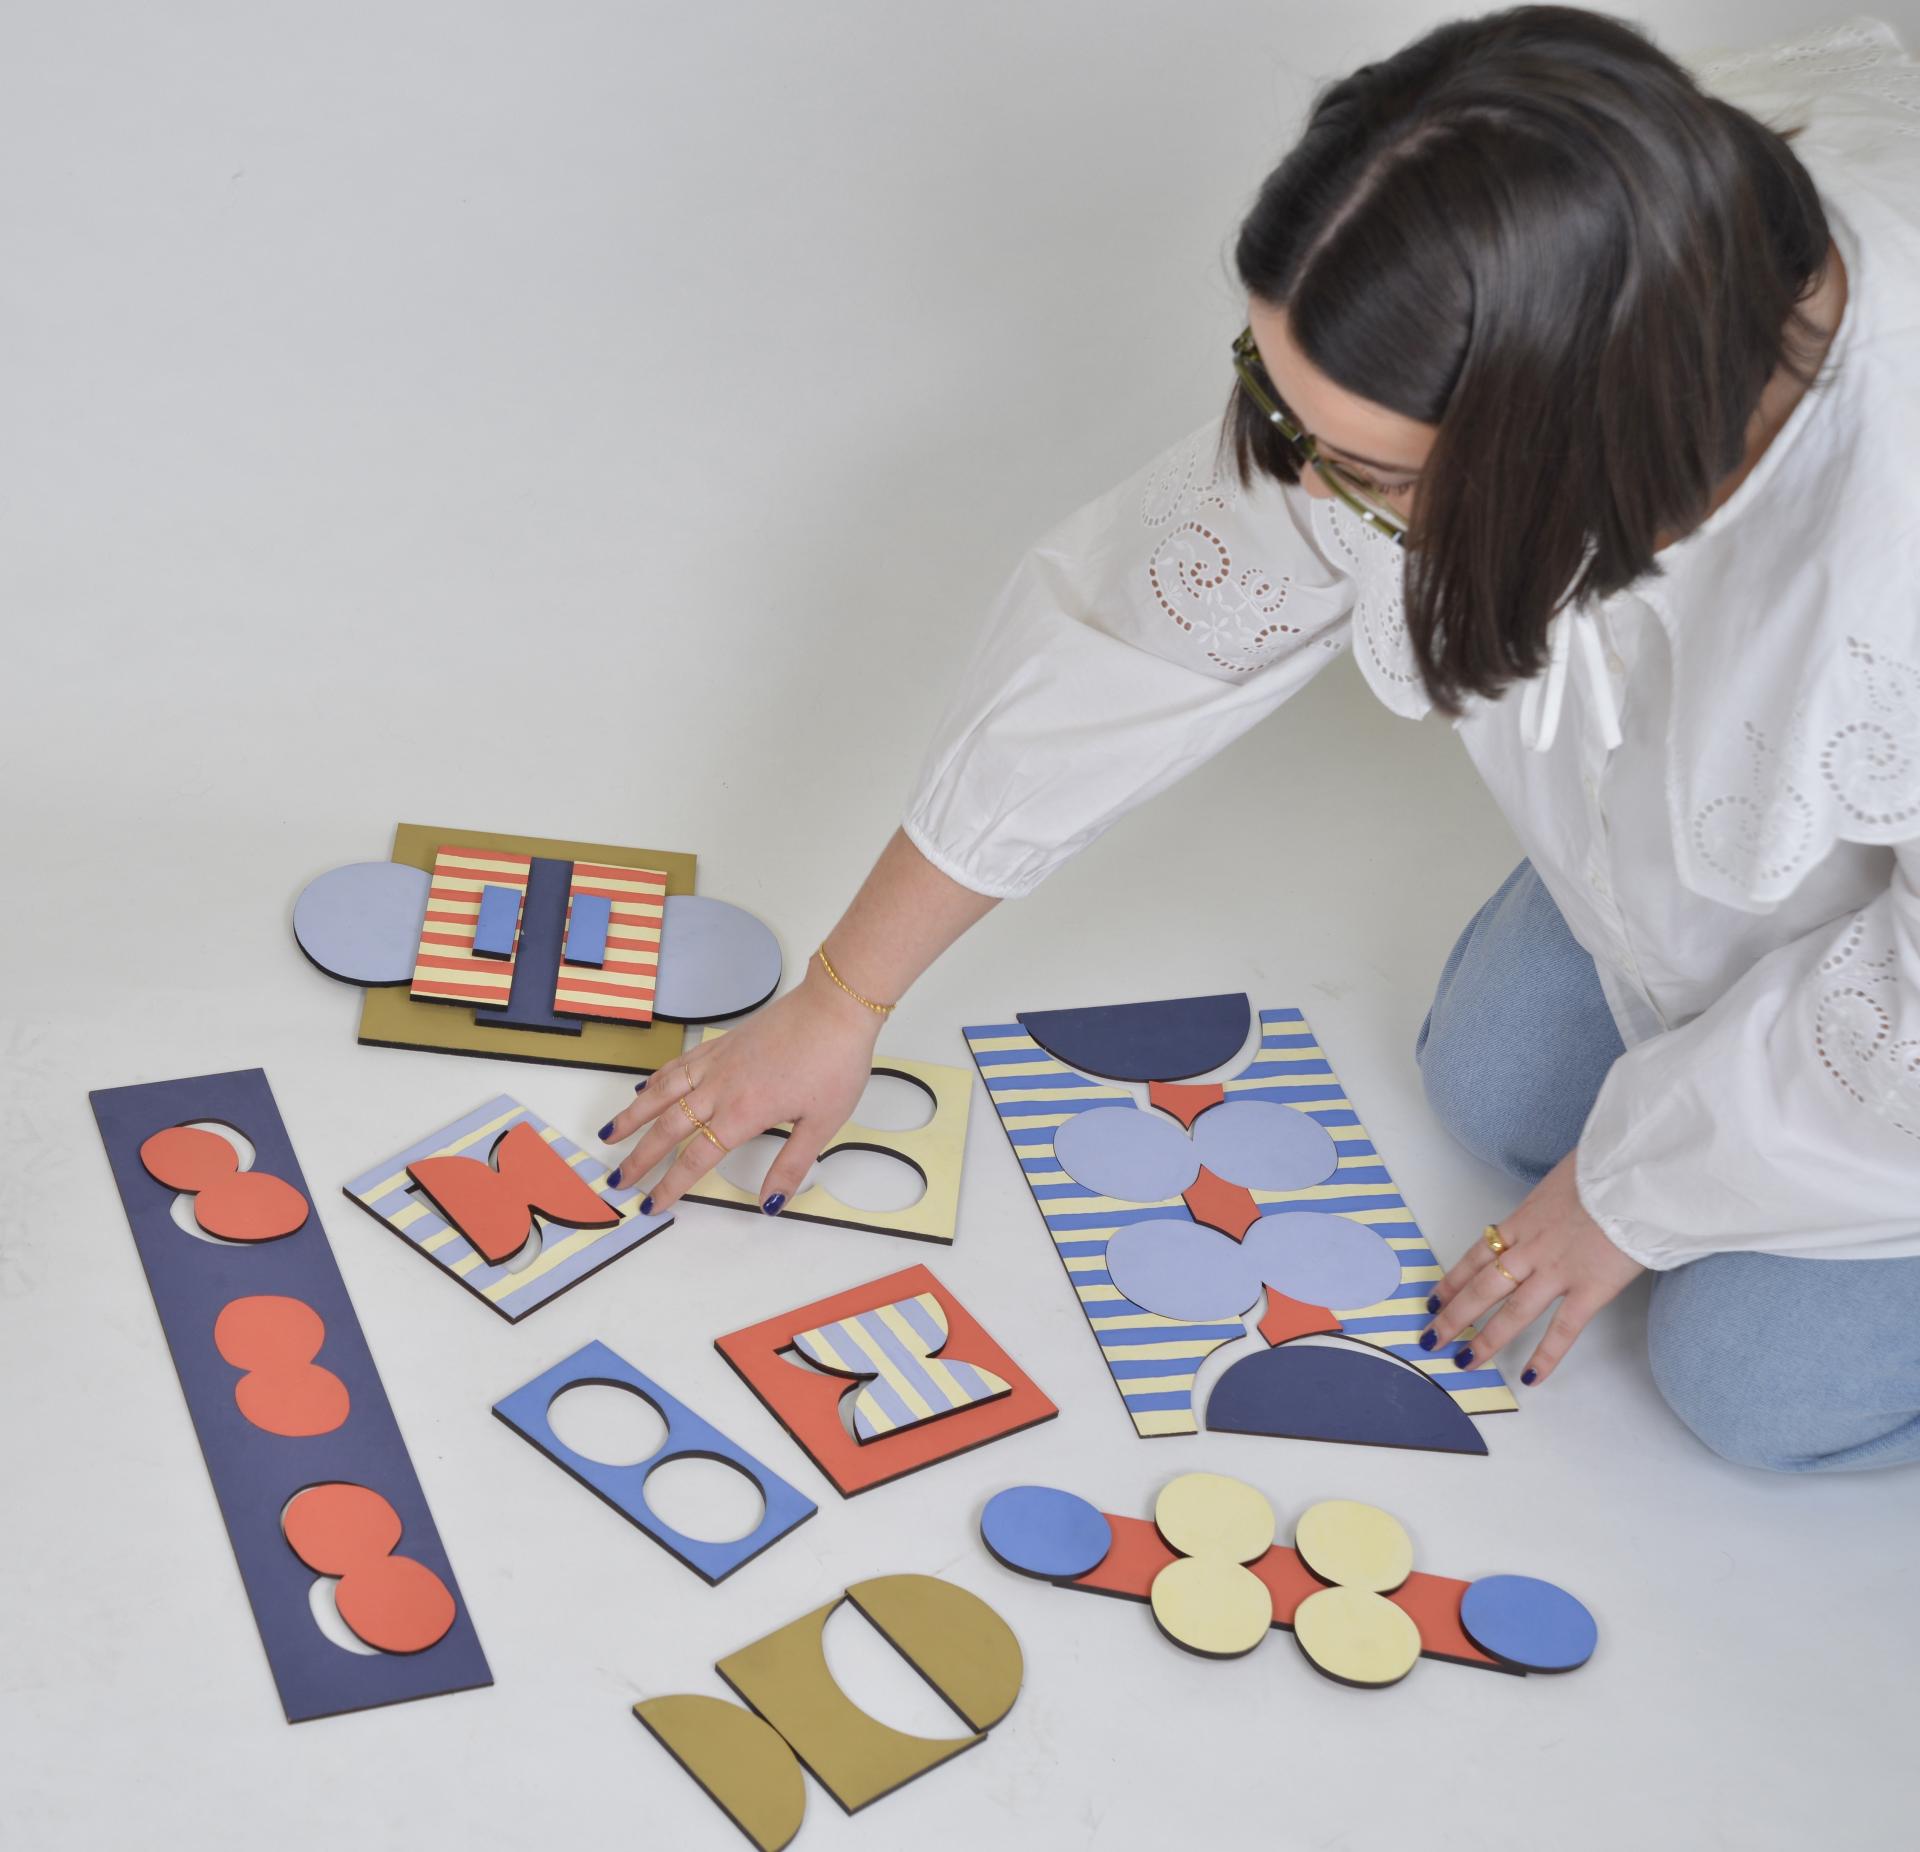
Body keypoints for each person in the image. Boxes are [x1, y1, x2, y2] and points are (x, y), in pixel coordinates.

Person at [603, 9, 1920, 1473]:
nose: (1299, 482)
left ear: (1573, 451)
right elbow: (1152, 628)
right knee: (1494, 1092)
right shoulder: (1558, 247)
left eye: (1358, 471)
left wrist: (1629, 1197)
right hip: (1757, 840)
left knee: (1751, 1390)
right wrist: (842, 996)